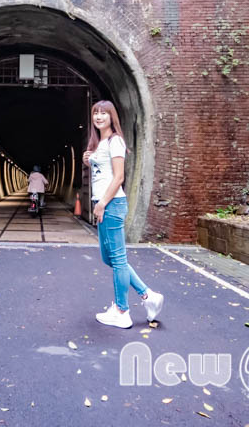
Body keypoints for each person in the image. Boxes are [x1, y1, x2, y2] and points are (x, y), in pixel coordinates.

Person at [83, 100, 163, 328]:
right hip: (105, 204)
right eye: (95, 113)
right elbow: (104, 173)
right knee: (109, 258)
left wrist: (102, 204)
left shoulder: (115, 141)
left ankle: (121, 310)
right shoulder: (100, 143)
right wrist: (88, 161)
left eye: (103, 113)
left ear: (112, 117)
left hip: (111, 204)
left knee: (117, 259)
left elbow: (118, 177)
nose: (98, 117)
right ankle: (149, 296)